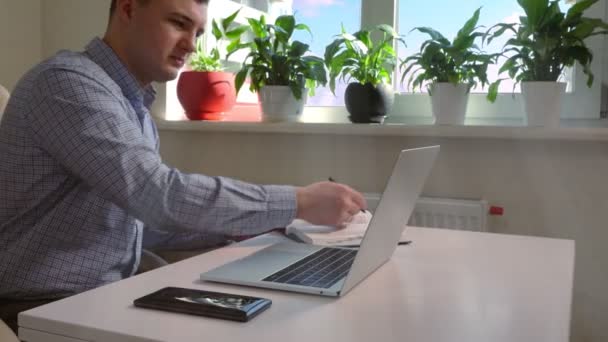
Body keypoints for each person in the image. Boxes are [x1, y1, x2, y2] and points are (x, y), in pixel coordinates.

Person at [0, 0, 366, 333]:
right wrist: (298, 201)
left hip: (107, 294)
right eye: (178, 23)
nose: (191, 44)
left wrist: (259, 223)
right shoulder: (65, 83)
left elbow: (144, 225)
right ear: (127, 9)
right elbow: (160, 196)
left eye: (198, 32)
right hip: (41, 305)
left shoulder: (130, 104)